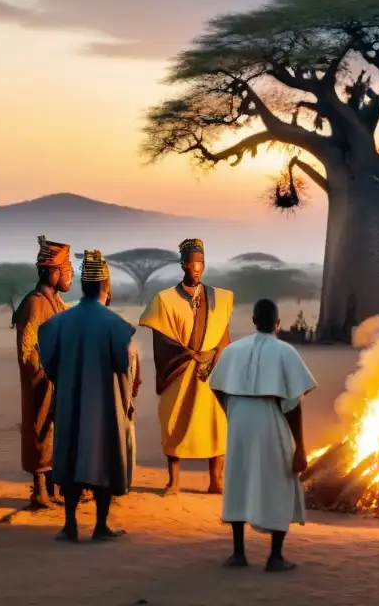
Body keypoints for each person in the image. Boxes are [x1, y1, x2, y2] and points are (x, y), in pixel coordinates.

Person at [209, 299, 316, 573]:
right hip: (271, 416)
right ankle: (275, 557)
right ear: (278, 324)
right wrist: (300, 446)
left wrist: (232, 410)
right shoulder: (285, 351)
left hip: (240, 419)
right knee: (280, 481)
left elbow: (216, 386)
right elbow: (294, 402)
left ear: (254, 321)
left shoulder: (233, 350)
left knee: (238, 479)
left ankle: (238, 553)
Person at [38, 250, 138, 542]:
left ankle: (70, 525)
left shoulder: (59, 322)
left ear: (83, 285)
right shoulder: (115, 324)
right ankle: (101, 525)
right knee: (103, 459)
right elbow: (123, 364)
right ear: (105, 286)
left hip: (70, 401)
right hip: (105, 405)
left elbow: (48, 362)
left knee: (69, 456)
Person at [138, 238, 233, 495]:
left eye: (201, 263)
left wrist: (213, 353)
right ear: (183, 265)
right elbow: (163, 340)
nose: (197, 268)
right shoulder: (165, 300)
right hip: (179, 370)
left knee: (216, 423)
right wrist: (191, 354)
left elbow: (224, 337)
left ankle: (216, 480)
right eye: (192, 264)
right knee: (174, 420)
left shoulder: (220, 298)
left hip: (211, 370)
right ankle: (174, 481)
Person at [11, 235, 74, 509]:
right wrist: (48, 372)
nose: (69, 276)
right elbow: (27, 349)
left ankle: (51, 488)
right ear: (51, 271)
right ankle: (38, 491)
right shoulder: (36, 302)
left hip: (57, 380)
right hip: (42, 381)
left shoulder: (56, 301)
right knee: (39, 430)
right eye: (65, 270)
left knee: (54, 433)